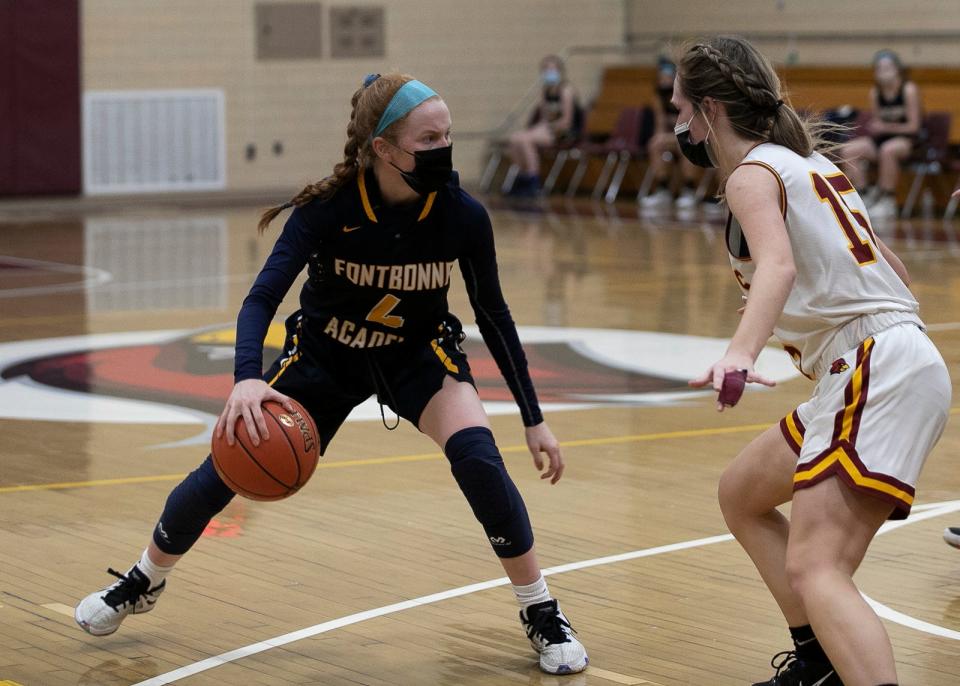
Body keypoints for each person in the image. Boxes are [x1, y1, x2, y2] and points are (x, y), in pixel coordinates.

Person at [74, 72, 589, 676]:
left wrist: (534, 418)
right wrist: (246, 377)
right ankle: (143, 579)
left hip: (417, 354)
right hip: (326, 358)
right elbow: (261, 297)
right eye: (429, 138)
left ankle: (540, 607)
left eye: (447, 134)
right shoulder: (329, 210)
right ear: (384, 149)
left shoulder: (462, 215)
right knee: (229, 464)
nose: (444, 148)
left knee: (478, 458)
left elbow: (493, 315)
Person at [676, 37, 949, 686]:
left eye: (681, 109)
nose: (679, 126)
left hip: (873, 367)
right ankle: (820, 664)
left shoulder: (751, 174)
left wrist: (738, 355)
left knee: (817, 568)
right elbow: (897, 273)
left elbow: (778, 263)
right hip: (877, 360)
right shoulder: (809, 167)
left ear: (710, 111)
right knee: (741, 494)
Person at [839, 50, 922, 220]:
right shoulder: (875, 93)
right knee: (849, 150)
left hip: (908, 140)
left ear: (897, 68)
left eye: (887, 67)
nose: (883, 71)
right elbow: (877, 124)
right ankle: (863, 195)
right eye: (879, 68)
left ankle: (887, 199)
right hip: (882, 139)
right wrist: (877, 127)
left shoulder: (908, 89)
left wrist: (885, 126)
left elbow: (914, 126)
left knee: (888, 150)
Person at [506, 55, 580, 197]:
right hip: (550, 129)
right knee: (515, 139)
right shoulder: (544, 91)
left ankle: (534, 180)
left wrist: (545, 129)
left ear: (560, 71)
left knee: (526, 140)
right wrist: (539, 129)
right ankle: (523, 175)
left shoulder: (566, 90)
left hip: (565, 132)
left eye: (552, 69)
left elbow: (567, 121)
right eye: (546, 69)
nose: (549, 72)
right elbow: (545, 118)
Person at [639, 57, 700, 211]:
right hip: (673, 135)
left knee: (685, 145)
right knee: (655, 144)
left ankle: (689, 190)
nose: (663, 79)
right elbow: (660, 123)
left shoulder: (685, 93)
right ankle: (662, 189)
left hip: (692, 135)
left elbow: (690, 125)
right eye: (660, 76)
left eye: (666, 75)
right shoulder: (658, 96)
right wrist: (660, 137)